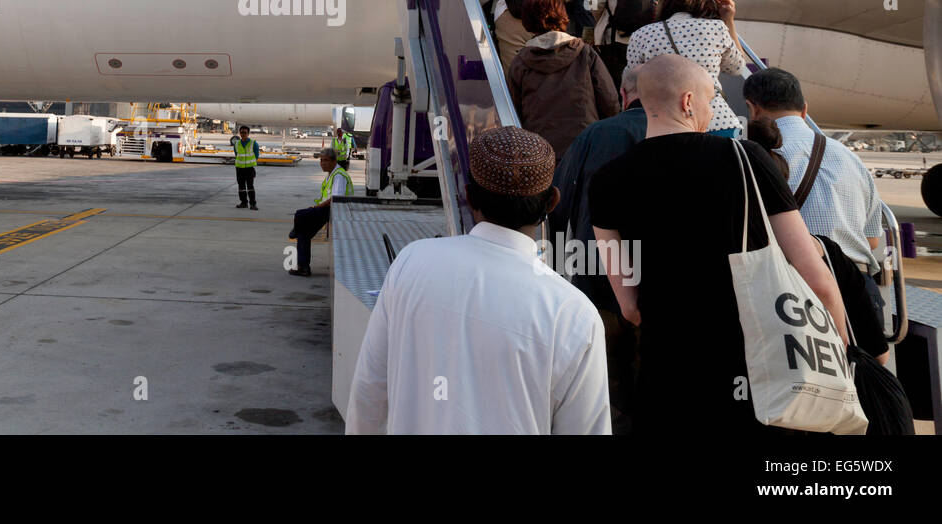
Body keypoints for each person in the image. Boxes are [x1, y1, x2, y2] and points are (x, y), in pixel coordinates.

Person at [589, 54, 849, 436]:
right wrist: (841, 344)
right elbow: (813, 272)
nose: (712, 112)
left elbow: (628, 306)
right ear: (688, 101)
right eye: (711, 100)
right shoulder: (745, 159)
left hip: (666, 380)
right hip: (752, 376)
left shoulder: (606, 180)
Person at [346, 126, 609, 434]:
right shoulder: (573, 313)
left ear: (468, 196)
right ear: (552, 202)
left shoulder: (411, 262)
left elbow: (370, 389)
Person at [742, 67, 886, 328]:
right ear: (805, 109)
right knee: (863, 367)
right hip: (859, 289)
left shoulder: (754, 156)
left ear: (752, 109)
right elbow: (872, 240)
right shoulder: (849, 157)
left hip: (794, 292)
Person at [550, 64, 647, 433]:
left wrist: (559, 267)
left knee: (609, 388)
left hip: (596, 279)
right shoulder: (678, 136)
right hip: (656, 287)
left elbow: (562, 200)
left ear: (623, 95)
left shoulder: (595, 134)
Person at [747, 116, 890, 366]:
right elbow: (879, 356)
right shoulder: (829, 253)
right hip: (826, 386)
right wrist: (841, 345)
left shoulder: (740, 259)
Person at [506, 0, 620, 165]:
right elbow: (610, 101)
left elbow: (514, 112)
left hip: (540, 154)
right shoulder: (584, 53)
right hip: (585, 148)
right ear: (562, 15)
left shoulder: (520, 63)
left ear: (527, 21)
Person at [624, 0, 747, 137]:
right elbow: (737, 68)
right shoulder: (716, 28)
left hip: (664, 125)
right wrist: (728, 20)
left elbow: (630, 82)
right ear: (704, 1)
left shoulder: (642, 34)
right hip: (717, 119)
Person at [288, 147, 352, 276]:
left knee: (300, 214)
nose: (322, 163)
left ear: (334, 161)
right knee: (303, 235)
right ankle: (303, 267)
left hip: (333, 210)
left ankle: (295, 230)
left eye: (326, 160)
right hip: (326, 209)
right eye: (321, 160)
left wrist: (317, 207)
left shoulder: (339, 176)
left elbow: (336, 198)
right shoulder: (332, 174)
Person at [230, 125, 259, 210]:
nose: (243, 134)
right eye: (241, 132)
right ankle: (243, 203)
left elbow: (256, 155)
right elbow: (237, 154)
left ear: (248, 133)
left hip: (249, 168)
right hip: (239, 168)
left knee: (250, 187)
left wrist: (250, 162)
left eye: (245, 132)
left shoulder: (253, 143)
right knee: (241, 187)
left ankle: (253, 204)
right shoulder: (237, 143)